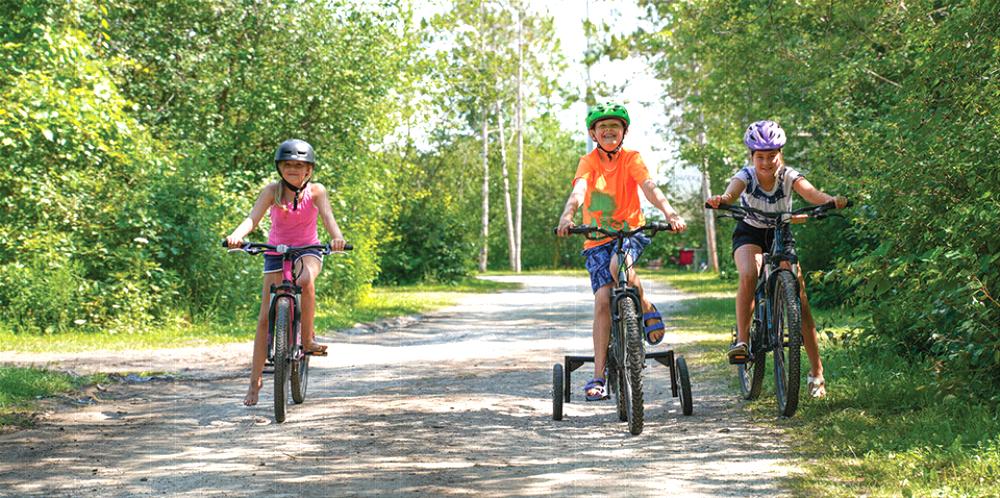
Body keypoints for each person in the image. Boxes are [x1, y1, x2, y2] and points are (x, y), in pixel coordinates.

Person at [706, 120, 847, 398]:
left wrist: (830, 201)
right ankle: (743, 343)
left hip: (781, 232)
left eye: (772, 155)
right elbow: (732, 192)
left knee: (800, 298)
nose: (767, 161)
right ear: (752, 156)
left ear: (780, 154)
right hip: (749, 233)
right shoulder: (745, 175)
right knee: (749, 272)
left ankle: (816, 372)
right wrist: (723, 198)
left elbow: (811, 192)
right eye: (761, 156)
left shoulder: (789, 175)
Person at [556, 102, 688, 401]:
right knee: (603, 299)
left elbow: (649, 187)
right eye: (602, 127)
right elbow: (578, 191)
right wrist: (568, 216)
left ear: (623, 131)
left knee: (621, 266)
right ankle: (599, 375)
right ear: (593, 134)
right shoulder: (587, 162)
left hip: (630, 232)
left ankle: (644, 304)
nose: (609, 131)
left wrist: (669, 212)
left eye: (614, 126)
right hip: (597, 238)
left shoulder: (632, 159)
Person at [225, 139, 347, 406]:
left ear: (309, 170)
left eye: (300, 165)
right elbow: (252, 218)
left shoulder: (316, 191)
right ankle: (255, 383)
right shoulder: (272, 191)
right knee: (264, 318)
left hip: (308, 250)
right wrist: (236, 235)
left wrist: (337, 238)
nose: (294, 169)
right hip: (275, 251)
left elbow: (328, 219)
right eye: (288, 165)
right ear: (280, 168)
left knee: (305, 279)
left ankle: (307, 339)